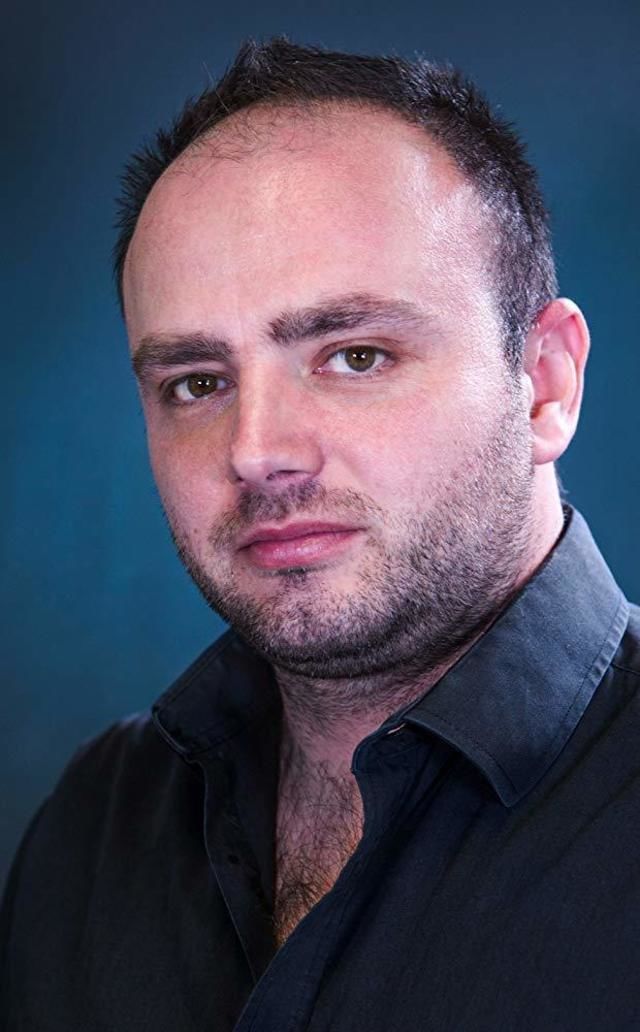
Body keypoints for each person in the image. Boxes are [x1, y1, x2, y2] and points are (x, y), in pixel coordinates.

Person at [2, 34, 639, 1032]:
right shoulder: (93, 828)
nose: (256, 451)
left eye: (354, 356)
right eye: (197, 383)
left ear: (544, 385)